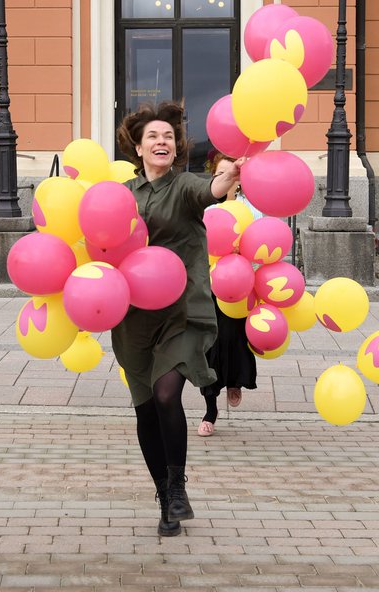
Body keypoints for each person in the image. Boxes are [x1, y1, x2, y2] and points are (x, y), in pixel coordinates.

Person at [112, 101, 242, 537]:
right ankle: (165, 495)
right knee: (146, 407)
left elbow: (211, 189)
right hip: (133, 317)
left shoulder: (184, 185)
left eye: (168, 136)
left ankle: (178, 486)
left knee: (168, 393)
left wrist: (229, 174)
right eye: (153, 136)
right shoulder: (123, 195)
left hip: (182, 310)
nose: (162, 141)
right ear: (138, 145)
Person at [197, 151, 261, 437]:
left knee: (235, 340)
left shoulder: (251, 209)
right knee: (208, 346)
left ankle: (235, 381)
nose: (224, 180)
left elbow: (262, 248)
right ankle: (210, 409)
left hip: (240, 287)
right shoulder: (205, 209)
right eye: (218, 175)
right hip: (209, 286)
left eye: (230, 175)